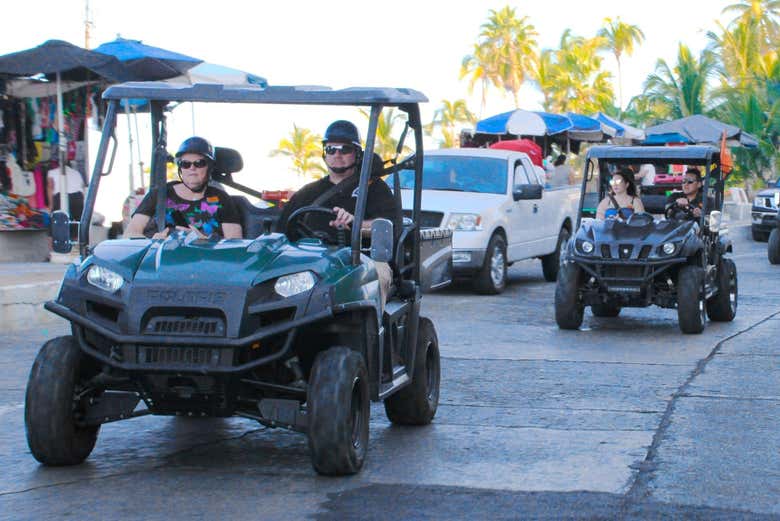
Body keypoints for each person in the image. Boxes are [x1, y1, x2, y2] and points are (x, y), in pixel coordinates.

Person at [276, 120, 399, 305]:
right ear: (324, 154)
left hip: (363, 259)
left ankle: (371, 323)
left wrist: (355, 224)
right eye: (331, 149)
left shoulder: (374, 188)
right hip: (313, 261)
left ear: (357, 153)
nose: (337, 155)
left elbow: (389, 225)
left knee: (376, 276)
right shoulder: (308, 192)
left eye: (344, 149)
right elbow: (282, 230)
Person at [125, 136, 242, 239]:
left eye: (199, 163)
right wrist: (152, 242)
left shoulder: (222, 199)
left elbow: (235, 242)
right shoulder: (159, 194)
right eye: (185, 164)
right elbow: (130, 234)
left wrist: (205, 241)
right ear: (180, 168)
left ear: (210, 167)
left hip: (205, 257)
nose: (192, 168)